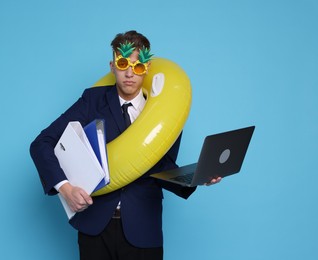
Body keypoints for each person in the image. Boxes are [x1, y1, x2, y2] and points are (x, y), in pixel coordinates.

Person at [30, 30, 221, 260]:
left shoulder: (165, 112)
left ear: (147, 68)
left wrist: (197, 177)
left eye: (138, 66)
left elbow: (162, 167)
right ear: (112, 66)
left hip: (143, 229)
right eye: (122, 64)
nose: (130, 73)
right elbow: (42, 143)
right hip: (95, 229)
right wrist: (65, 188)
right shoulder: (92, 100)